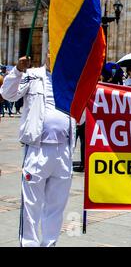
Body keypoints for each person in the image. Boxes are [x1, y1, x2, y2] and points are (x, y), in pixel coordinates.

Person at [0, 54, 77, 247]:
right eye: (53, 51)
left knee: (56, 204)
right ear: (47, 55)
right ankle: (29, 244)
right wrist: (17, 70)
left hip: (64, 150)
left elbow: (81, 116)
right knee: (31, 203)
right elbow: (8, 94)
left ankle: (50, 243)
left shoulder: (70, 81)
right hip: (37, 148)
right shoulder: (32, 75)